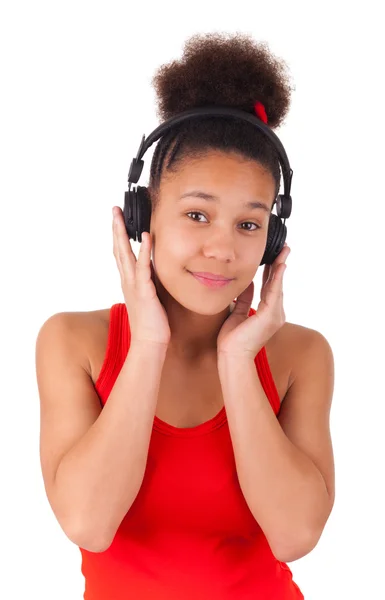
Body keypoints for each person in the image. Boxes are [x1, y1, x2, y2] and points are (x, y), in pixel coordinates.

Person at [35, 32, 335, 600]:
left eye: (248, 225)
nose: (222, 248)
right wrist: (147, 341)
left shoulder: (300, 356)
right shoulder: (74, 342)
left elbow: (295, 535)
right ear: (143, 216)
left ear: (271, 241)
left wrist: (238, 359)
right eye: (197, 214)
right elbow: (88, 524)